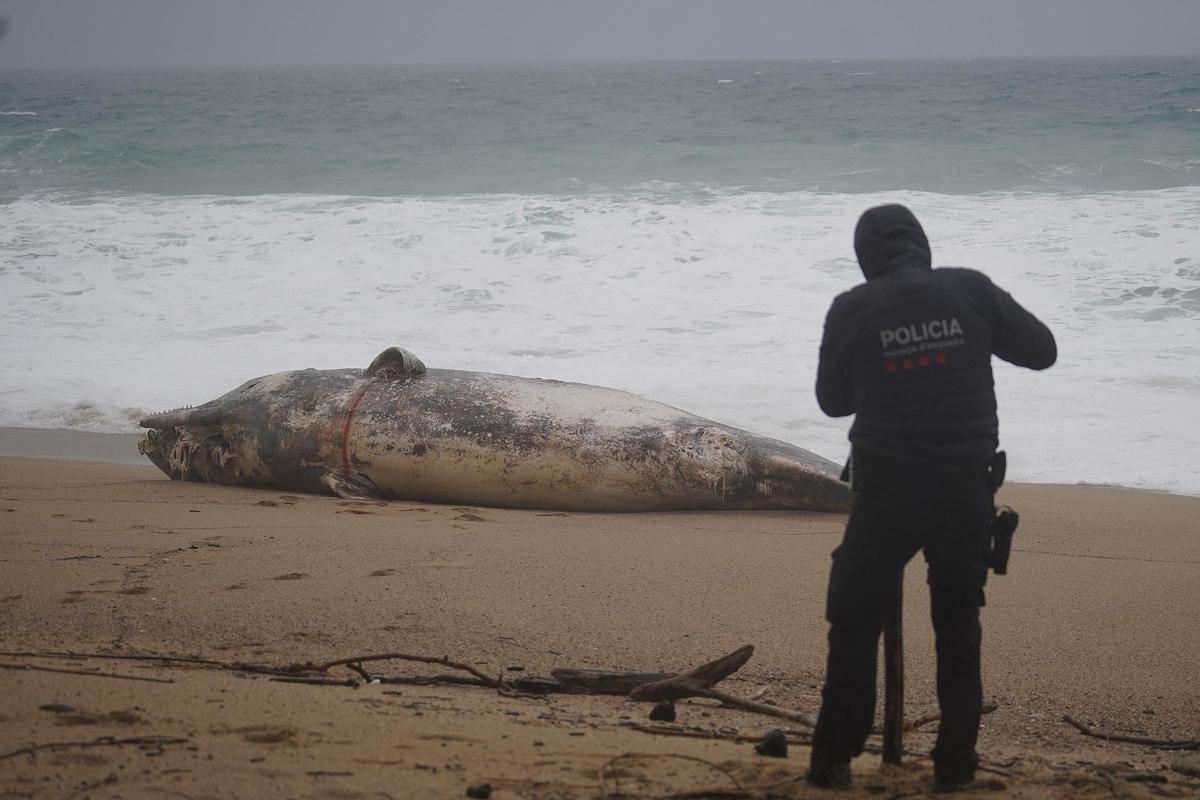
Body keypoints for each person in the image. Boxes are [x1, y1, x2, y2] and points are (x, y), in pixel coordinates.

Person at [806, 204, 1056, 792]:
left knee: (854, 618)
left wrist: (886, 360)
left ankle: (834, 759)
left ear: (866, 257)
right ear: (922, 244)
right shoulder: (970, 289)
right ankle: (954, 766)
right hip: (964, 487)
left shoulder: (852, 308)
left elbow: (833, 401)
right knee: (957, 621)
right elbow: (1042, 350)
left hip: (886, 488)